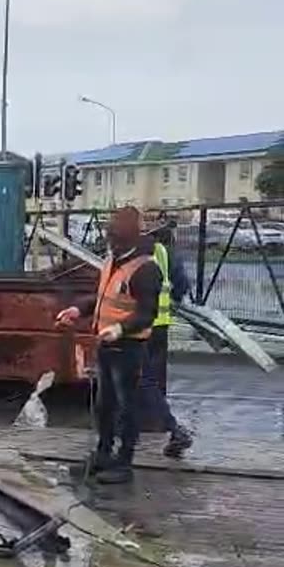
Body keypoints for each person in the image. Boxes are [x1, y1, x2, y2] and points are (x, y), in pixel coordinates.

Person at [56, 206, 162, 484]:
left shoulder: (145, 269)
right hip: (106, 344)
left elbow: (146, 313)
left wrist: (120, 329)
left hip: (129, 348)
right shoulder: (111, 261)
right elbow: (101, 298)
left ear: (128, 240)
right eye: (110, 238)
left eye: (115, 239)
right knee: (104, 404)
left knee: (128, 406)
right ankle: (103, 453)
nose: (111, 243)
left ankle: (124, 463)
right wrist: (78, 310)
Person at [139, 222, 196, 458]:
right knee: (150, 379)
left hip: (140, 327)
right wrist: (173, 298)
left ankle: (172, 428)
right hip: (161, 324)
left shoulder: (135, 253)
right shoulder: (165, 254)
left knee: (142, 381)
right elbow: (181, 284)